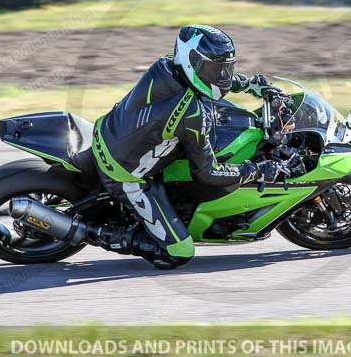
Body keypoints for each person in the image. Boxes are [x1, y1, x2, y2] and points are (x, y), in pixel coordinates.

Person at [91, 25, 286, 269]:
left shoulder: (167, 65)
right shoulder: (189, 114)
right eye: (215, 69)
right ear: (192, 61)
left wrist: (247, 84)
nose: (222, 76)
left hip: (111, 132)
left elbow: (215, 81)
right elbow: (208, 173)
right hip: (124, 173)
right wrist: (254, 171)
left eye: (225, 68)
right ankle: (100, 234)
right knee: (180, 252)